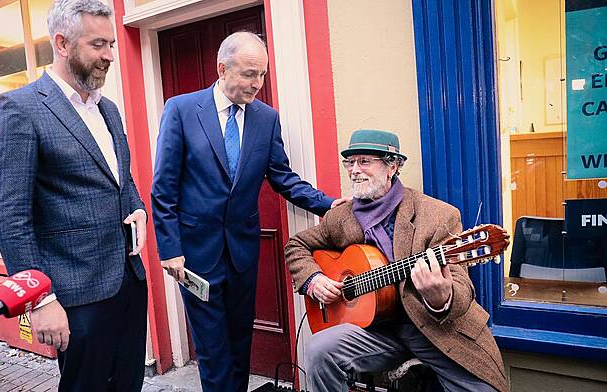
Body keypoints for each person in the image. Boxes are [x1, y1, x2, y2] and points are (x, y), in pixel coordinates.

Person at [151, 31, 346, 392]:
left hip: (242, 253)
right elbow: (163, 189)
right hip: (195, 256)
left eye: (262, 75)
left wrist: (327, 203)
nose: (257, 84)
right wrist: (170, 250)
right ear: (222, 69)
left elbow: (283, 178)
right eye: (249, 74)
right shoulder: (180, 110)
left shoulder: (266, 119)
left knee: (241, 340)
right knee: (212, 349)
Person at [0, 1, 147, 390]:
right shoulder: (19, 109)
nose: (110, 55)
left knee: (128, 385)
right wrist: (39, 301)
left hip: (128, 280)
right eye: (98, 45)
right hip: (74, 295)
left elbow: (119, 178)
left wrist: (137, 207)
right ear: (61, 43)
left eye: (111, 44)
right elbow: (10, 218)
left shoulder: (107, 109)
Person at [285, 129, 508, 392]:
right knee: (319, 349)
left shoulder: (437, 216)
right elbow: (296, 245)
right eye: (350, 162)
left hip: (431, 329)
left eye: (364, 161)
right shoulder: (341, 217)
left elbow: (461, 286)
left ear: (392, 166)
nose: (354, 170)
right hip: (376, 331)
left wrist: (440, 298)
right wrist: (313, 279)